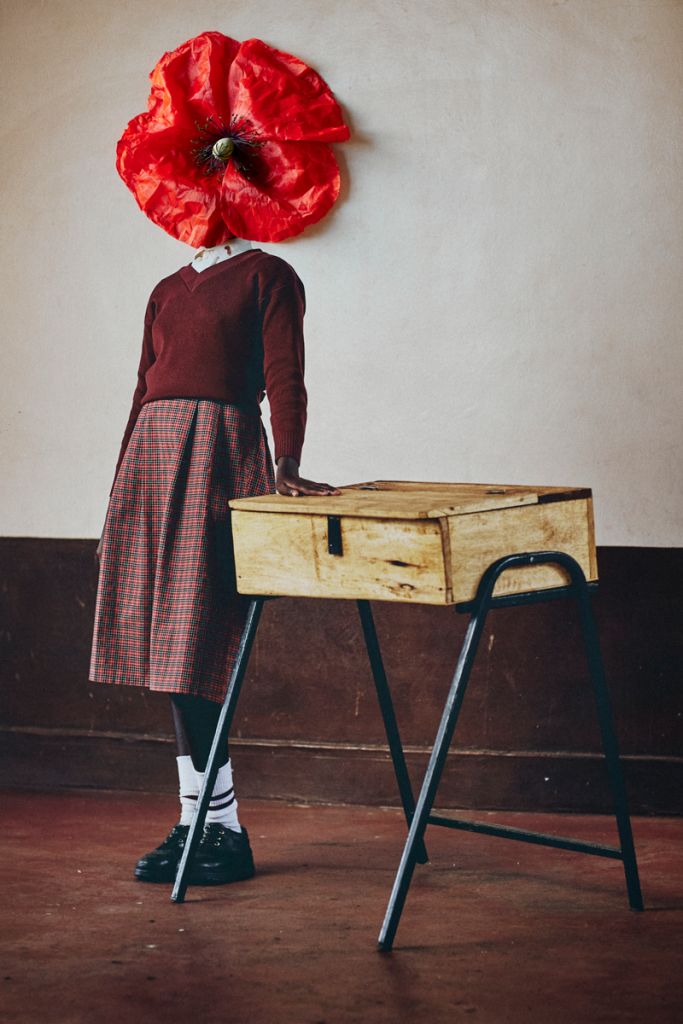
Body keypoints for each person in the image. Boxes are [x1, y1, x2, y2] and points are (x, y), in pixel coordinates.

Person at [88, 30, 349, 884]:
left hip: (221, 458)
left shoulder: (269, 276)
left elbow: (285, 380)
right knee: (168, 660)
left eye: (225, 183)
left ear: (246, 190)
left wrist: (284, 469)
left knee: (200, 650)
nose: (208, 198)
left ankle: (219, 832)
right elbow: (139, 391)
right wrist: (122, 489)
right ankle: (203, 825)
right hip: (152, 468)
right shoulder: (165, 289)